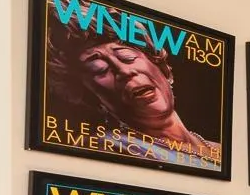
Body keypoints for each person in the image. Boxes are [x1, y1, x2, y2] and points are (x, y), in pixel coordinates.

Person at [46, 23, 222, 170]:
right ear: (90, 96)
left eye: (127, 57)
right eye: (99, 69)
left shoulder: (219, 150)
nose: (125, 71)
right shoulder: (106, 146)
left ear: (163, 68)